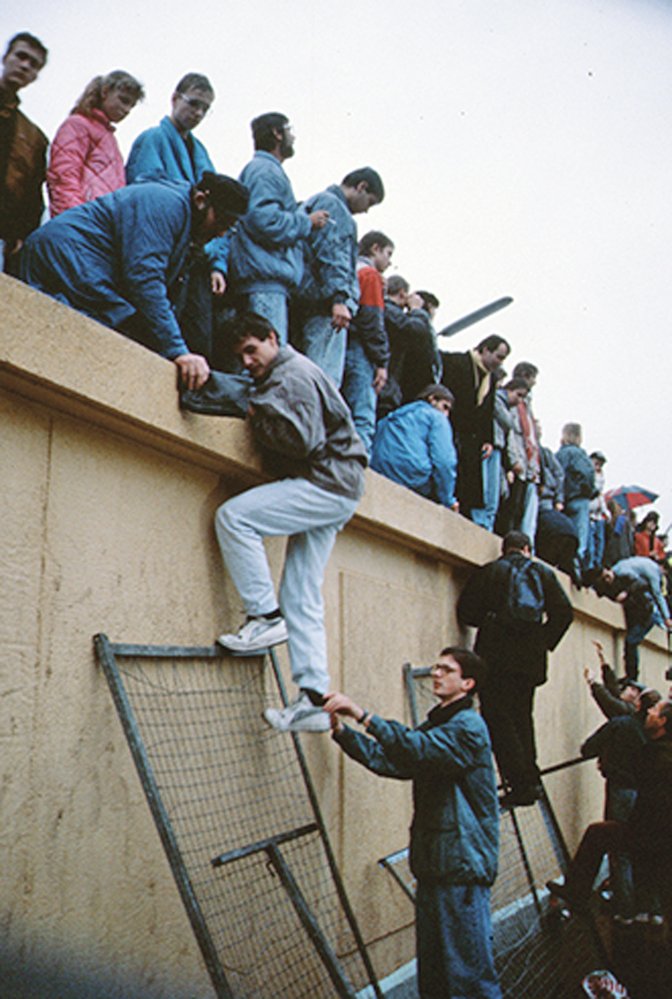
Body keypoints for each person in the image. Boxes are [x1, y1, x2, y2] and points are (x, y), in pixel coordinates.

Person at [215, 313, 367, 733]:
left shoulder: (291, 374)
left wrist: (254, 409)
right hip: (341, 486)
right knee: (301, 594)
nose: (247, 361)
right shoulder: (293, 371)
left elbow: (300, 440)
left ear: (272, 338)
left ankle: (264, 616)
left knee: (234, 518)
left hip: (325, 483)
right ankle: (315, 701)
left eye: (252, 349)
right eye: (240, 355)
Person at [324, 647, 502, 999]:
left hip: (461, 868)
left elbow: (416, 748)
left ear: (467, 683)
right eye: (436, 667)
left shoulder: (468, 727)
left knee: (470, 979)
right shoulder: (441, 724)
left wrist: (362, 715)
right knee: (435, 978)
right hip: (437, 865)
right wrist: (342, 733)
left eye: (446, 670)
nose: (436, 674)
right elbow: (393, 760)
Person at [19, 173, 248, 391]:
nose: (222, 233)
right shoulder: (165, 205)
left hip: (84, 261)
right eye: (223, 221)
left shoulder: (187, 221)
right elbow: (145, 280)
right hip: (67, 252)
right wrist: (178, 350)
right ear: (201, 201)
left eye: (230, 227)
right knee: (122, 323)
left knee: (132, 328)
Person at [457, 530, 573, 806]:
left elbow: (466, 613)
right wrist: (542, 640)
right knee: (523, 718)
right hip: (530, 660)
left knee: (497, 718)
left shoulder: (490, 572)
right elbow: (564, 613)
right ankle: (530, 780)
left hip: (495, 657)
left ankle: (519, 783)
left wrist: (491, 622)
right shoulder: (543, 575)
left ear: (504, 549)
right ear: (527, 549)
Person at [547, 699, 672, 935]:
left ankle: (579, 893)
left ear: (662, 721)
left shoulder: (658, 755)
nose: (649, 712)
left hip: (654, 837)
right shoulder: (658, 750)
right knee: (601, 834)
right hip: (653, 835)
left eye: (654, 711)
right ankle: (579, 892)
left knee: (600, 835)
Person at [126, 73, 228, 360]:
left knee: (198, 336)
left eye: (205, 109)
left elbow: (219, 210)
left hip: (196, 259)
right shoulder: (152, 140)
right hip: (166, 252)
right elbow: (144, 197)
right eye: (193, 103)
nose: (198, 113)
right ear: (174, 98)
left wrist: (217, 264)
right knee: (159, 332)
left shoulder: (201, 153)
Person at [227, 112, 328, 343]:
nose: (294, 137)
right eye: (289, 130)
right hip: (264, 285)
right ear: (277, 133)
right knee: (265, 363)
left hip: (266, 284)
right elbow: (264, 220)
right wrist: (306, 222)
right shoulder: (265, 170)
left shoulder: (265, 170)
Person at [294, 167, 385, 385]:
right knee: (322, 381)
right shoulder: (336, 208)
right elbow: (333, 255)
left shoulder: (316, 200)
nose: (366, 211)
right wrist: (340, 298)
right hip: (325, 308)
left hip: (308, 299)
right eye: (369, 203)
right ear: (361, 187)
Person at [580, 688, 661, 924]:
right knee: (648, 848)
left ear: (637, 705)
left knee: (620, 850)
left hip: (621, 790)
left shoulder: (621, 725)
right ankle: (653, 909)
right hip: (648, 793)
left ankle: (625, 909)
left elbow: (587, 748)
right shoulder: (656, 733)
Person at [47, 71, 144, 217]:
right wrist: (75, 219)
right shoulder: (77, 125)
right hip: (82, 222)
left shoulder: (109, 138)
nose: (126, 110)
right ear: (105, 91)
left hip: (101, 225)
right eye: (123, 100)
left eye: (131, 106)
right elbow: (63, 175)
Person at [441, 334, 511, 523]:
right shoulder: (456, 362)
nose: (500, 363)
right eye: (499, 357)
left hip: (471, 441)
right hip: (450, 430)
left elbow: (487, 413)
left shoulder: (490, 380)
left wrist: (487, 438)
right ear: (486, 350)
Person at [341, 230, 394, 453]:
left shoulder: (348, 268)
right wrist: (381, 361)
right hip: (361, 351)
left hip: (342, 343)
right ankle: (358, 470)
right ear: (375, 249)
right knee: (362, 417)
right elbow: (372, 322)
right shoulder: (370, 276)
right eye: (388, 254)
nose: (390, 262)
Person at [0, 31, 48, 274]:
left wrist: (19, 234)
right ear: (6, 57)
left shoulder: (33, 137)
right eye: (21, 56)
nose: (25, 65)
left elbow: (32, 192)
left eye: (34, 64)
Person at [370, 384, 458, 510]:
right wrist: (448, 500)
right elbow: (444, 461)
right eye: (445, 407)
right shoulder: (436, 417)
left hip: (380, 475)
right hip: (414, 481)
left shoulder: (393, 416)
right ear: (432, 399)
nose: (446, 414)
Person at [597, 556, 672, 679]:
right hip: (644, 611)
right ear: (663, 569)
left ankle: (631, 676)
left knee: (631, 642)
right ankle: (632, 676)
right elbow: (657, 594)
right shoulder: (653, 572)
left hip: (639, 609)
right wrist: (667, 617)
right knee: (631, 642)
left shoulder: (628, 566)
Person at [555, 423, 596, 571]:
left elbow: (558, 474)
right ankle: (576, 566)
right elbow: (591, 480)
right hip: (581, 499)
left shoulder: (561, 454)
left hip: (564, 499)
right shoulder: (582, 456)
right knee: (580, 539)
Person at [587, 451, 609, 572]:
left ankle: (596, 567)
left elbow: (601, 496)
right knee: (590, 545)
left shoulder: (601, 477)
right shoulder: (589, 475)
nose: (598, 467)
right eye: (596, 463)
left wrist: (605, 511)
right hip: (589, 513)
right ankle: (590, 568)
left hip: (599, 515)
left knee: (599, 545)